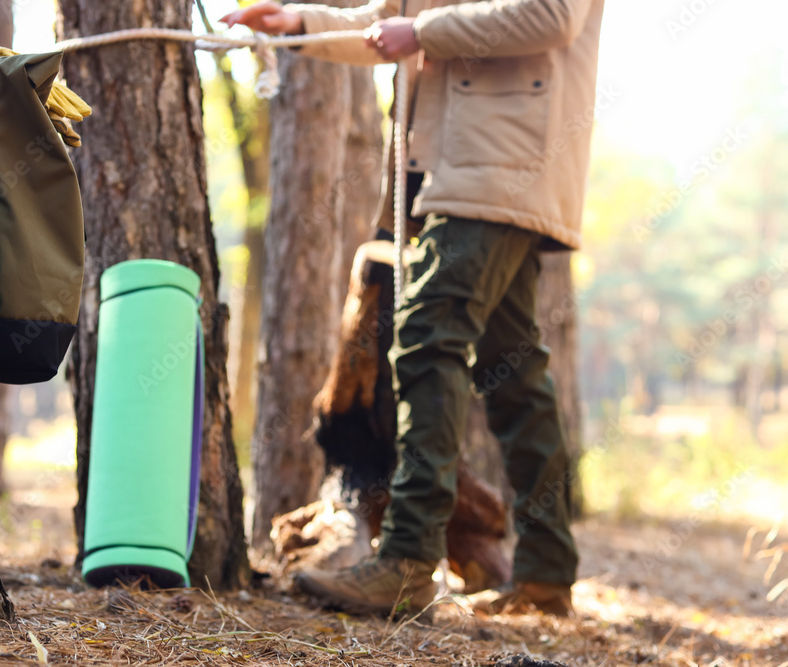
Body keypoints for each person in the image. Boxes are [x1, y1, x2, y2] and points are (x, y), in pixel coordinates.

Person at [223, 0, 604, 617]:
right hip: (472, 172)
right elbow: (391, 23)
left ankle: (407, 560)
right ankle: (545, 573)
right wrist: (298, 24)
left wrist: (421, 32)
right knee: (515, 373)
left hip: (497, 171)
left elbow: (552, 15)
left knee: (427, 337)